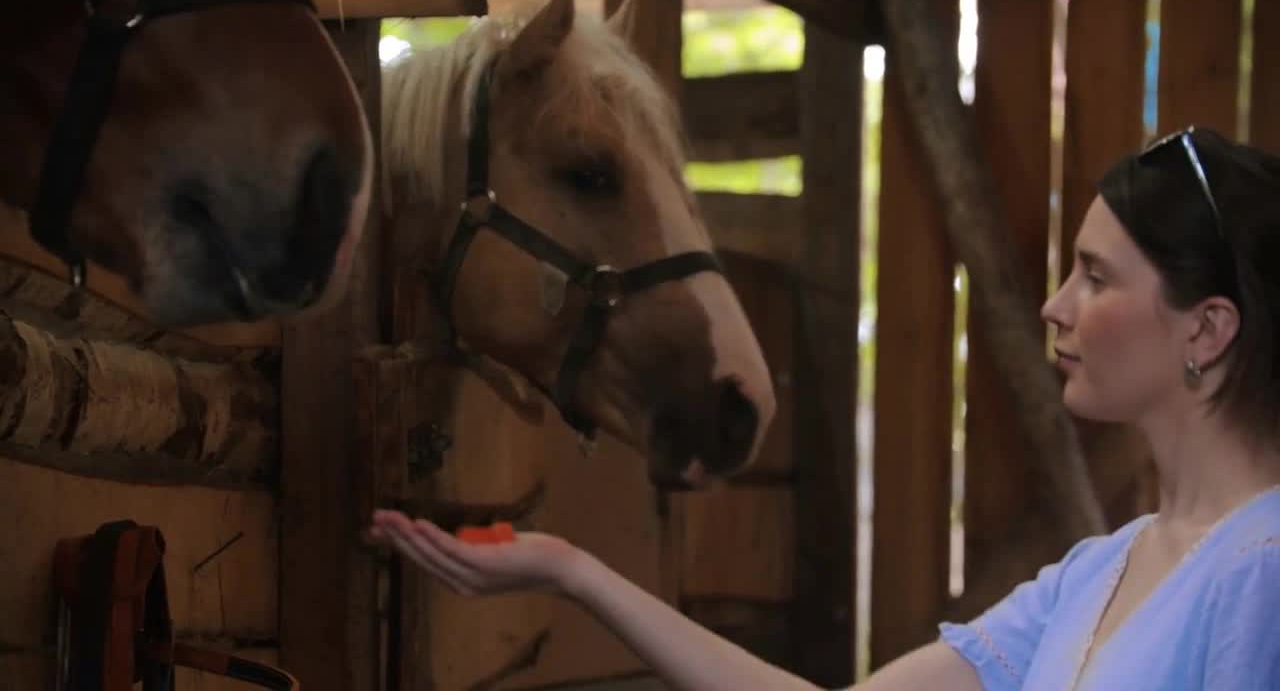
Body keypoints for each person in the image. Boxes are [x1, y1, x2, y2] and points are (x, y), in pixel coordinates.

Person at [367, 126, 1280, 690]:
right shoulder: (1100, 572)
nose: (1055, 306)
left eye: (1095, 277)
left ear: (1206, 329)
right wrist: (573, 571)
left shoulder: (1263, 570)